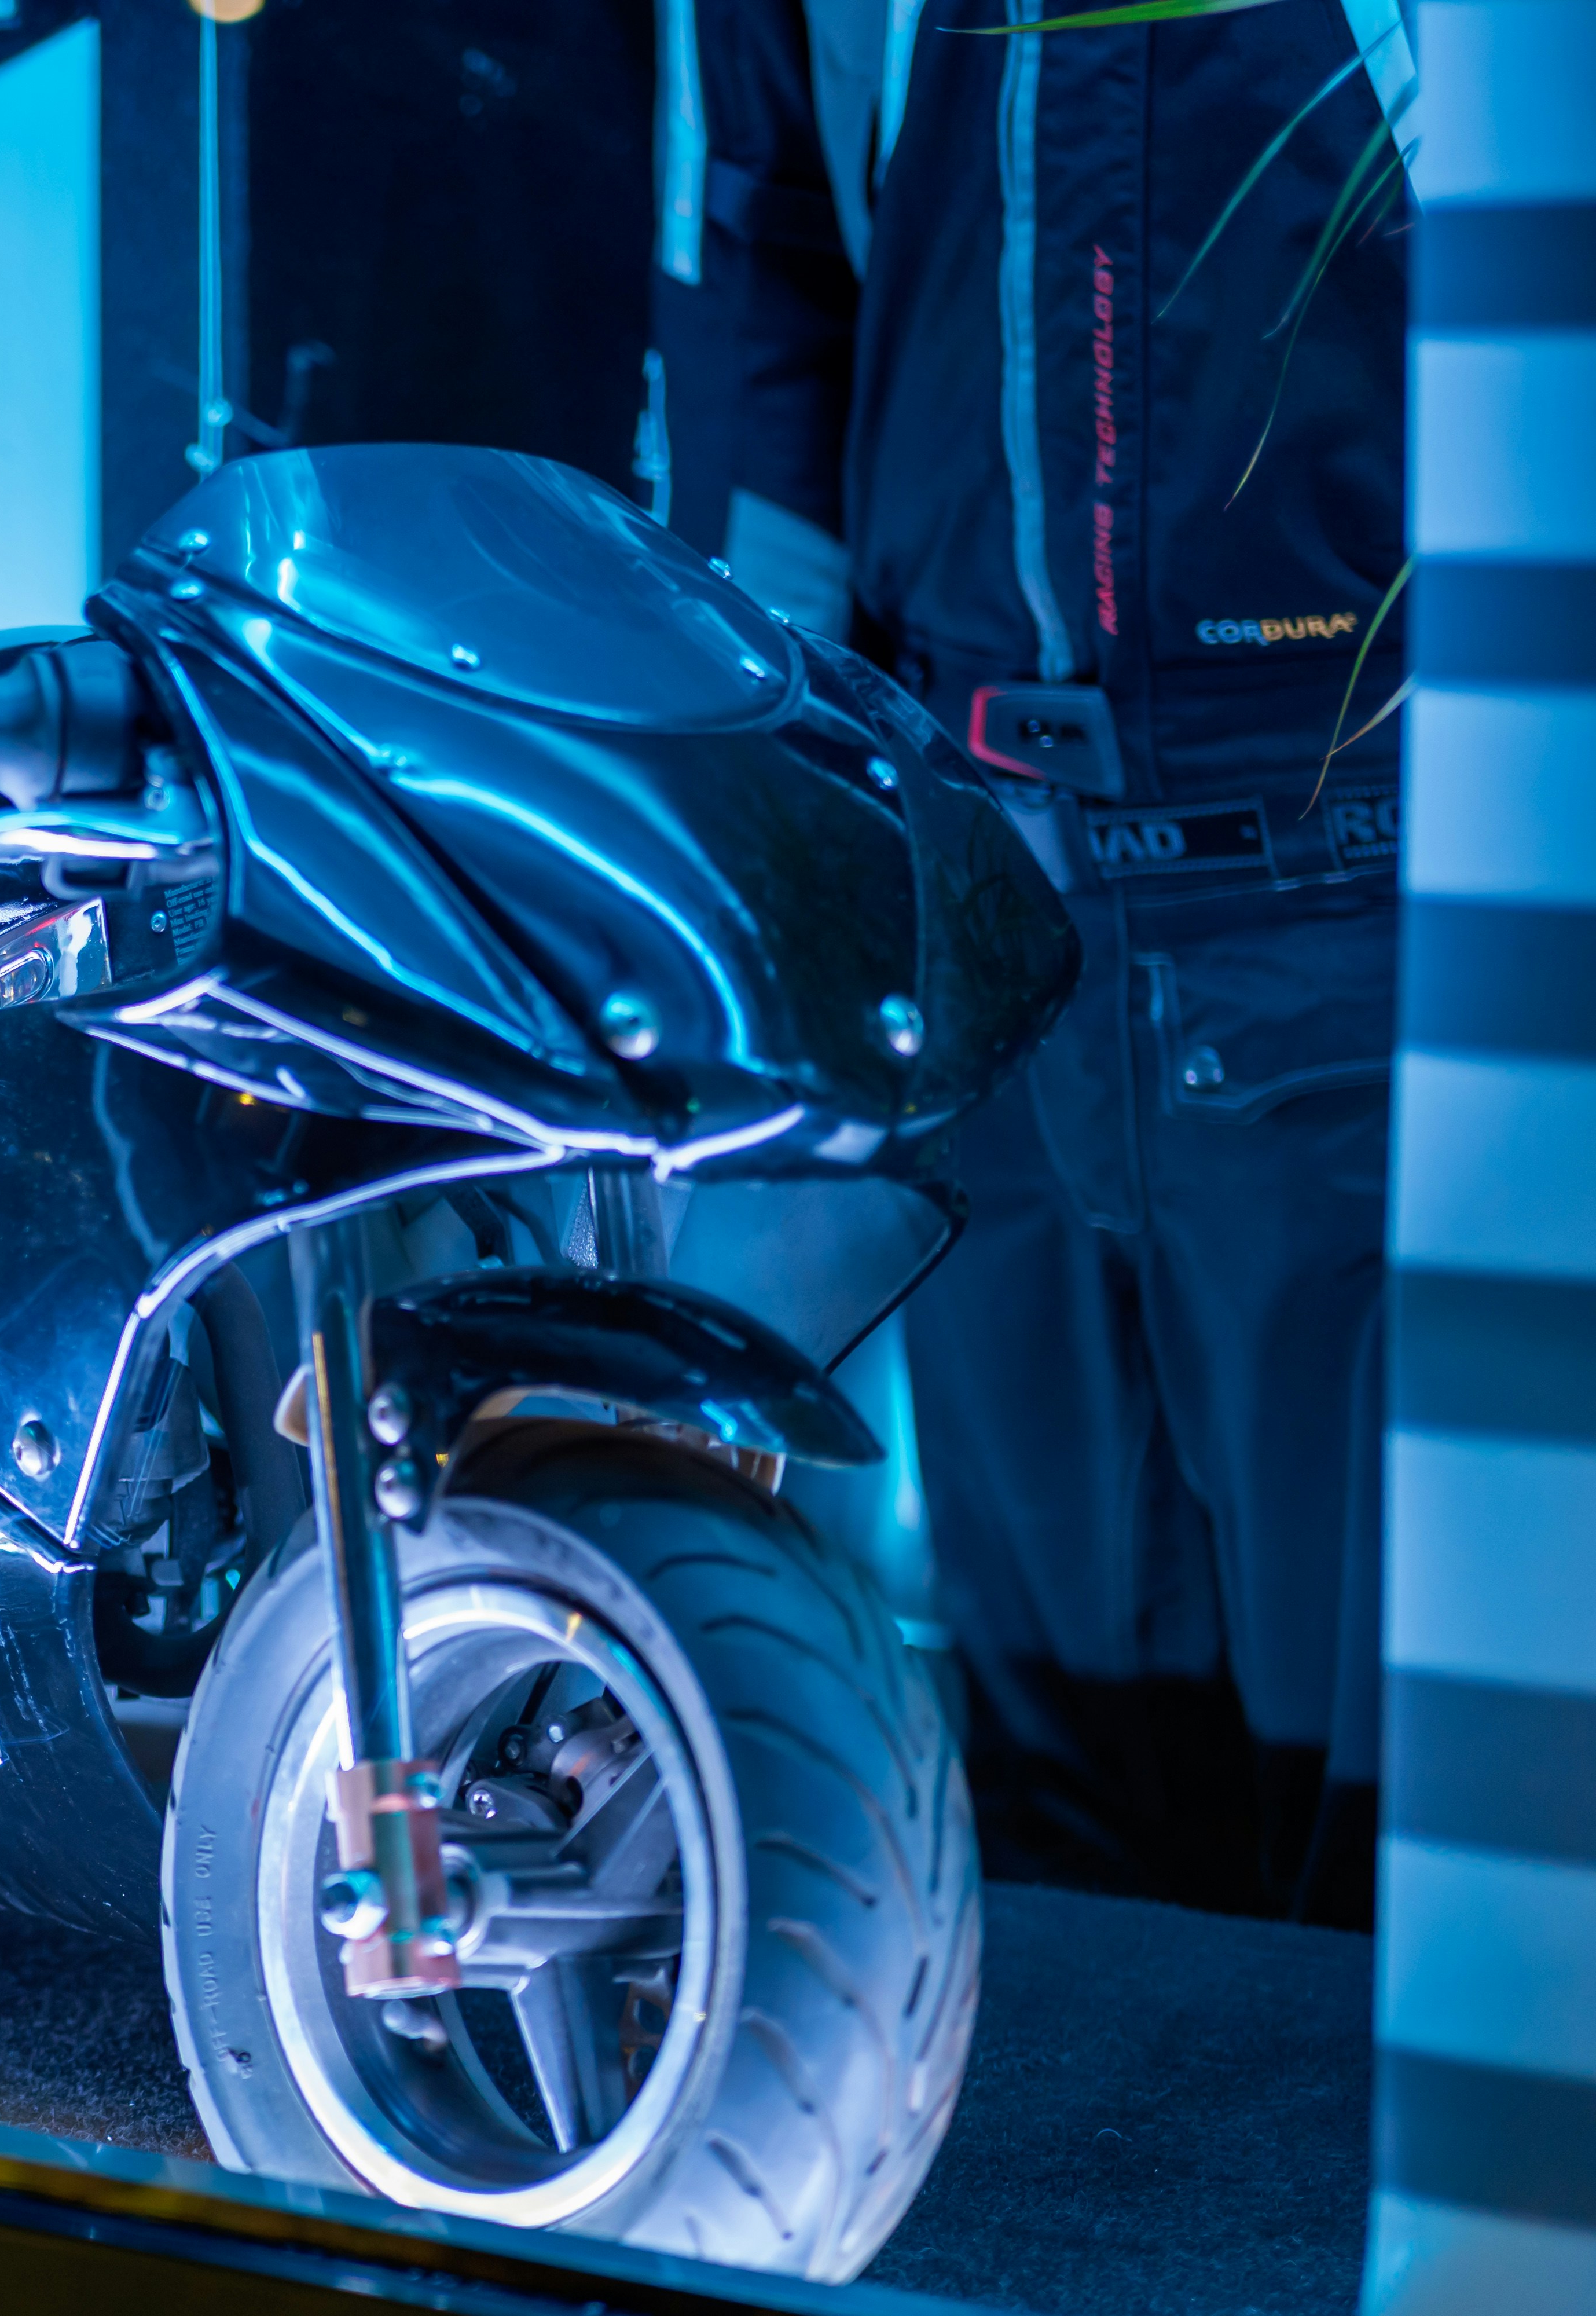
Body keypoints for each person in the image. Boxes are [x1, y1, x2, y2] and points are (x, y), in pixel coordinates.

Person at [648, 0, 1404, 1926]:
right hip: (983, 884)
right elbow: (772, 280)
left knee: (1401, 1813)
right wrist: (777, 815)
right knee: (1058, 1810)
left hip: (1363, 881)